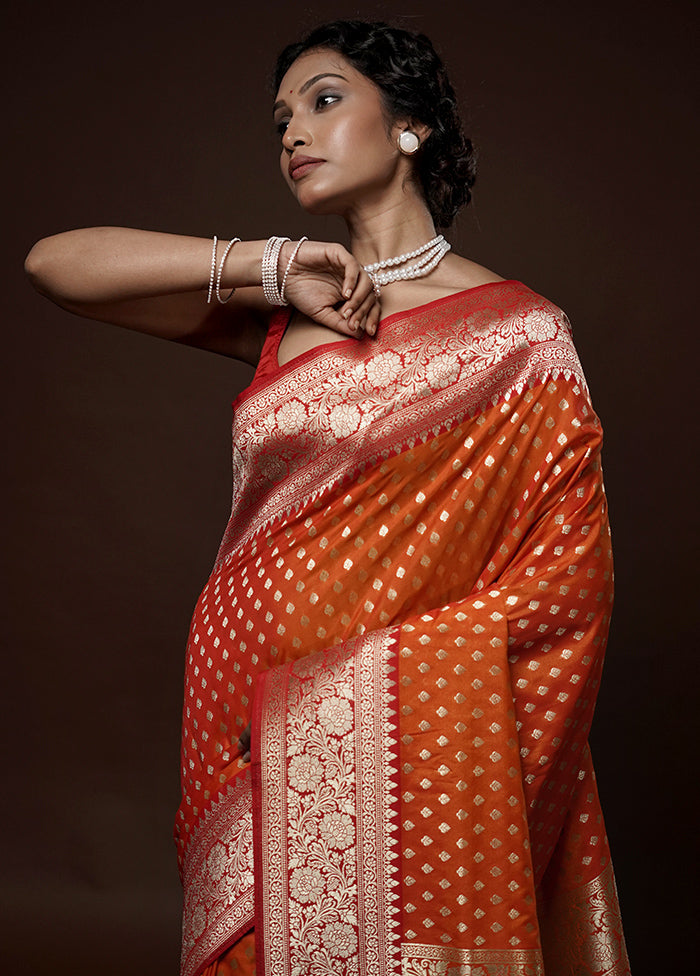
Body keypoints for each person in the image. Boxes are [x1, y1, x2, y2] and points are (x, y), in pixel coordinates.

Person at [24, 19, 630, 976]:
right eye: (279, 121)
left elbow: (569, 583)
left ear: (410, 127)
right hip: (231, 720)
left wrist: (347, 694)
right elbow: (55, 265)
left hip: (391, 741)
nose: (292, 134)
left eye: (324, 100)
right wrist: (274, 264)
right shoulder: (284, 311)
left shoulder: (523, 338)